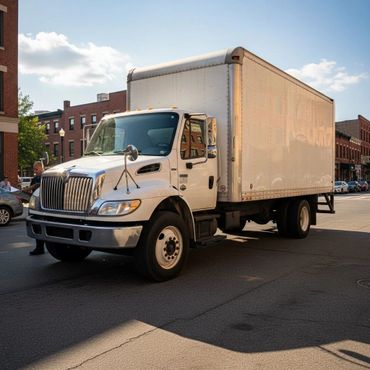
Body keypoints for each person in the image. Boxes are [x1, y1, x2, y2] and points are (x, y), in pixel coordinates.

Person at [29, 161, 45, 255]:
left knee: (40, 227)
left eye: (37, 169)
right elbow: (33, 192)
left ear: (42, 168)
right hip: (35, 206)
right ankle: (39, 247)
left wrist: (24, 189)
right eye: (34, 169)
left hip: (42, 206)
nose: (35, 171)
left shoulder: (45, 177)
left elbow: (36, 186)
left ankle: (40, 248)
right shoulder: (34, 178)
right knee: (35, 226)